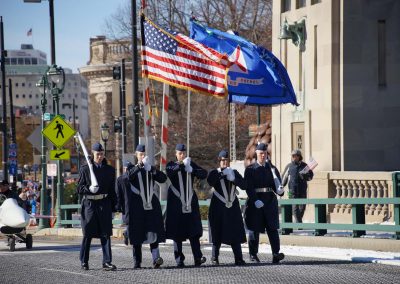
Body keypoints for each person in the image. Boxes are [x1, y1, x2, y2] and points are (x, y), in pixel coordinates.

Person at [116, 144, 167, 269]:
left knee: (153, 232)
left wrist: (152, 169)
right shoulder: (132, 167)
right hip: (137, 206)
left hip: (151, 205)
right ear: (136, 155)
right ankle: (137, 262)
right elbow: (126, 178)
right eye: (140, 154)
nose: (143, 156)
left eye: (144, 154)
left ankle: (156, 259)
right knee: (137, 234)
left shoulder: (150, 168)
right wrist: (139, 166)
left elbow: (163, 179)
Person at [76, 142, 117, 271]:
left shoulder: (109, 170)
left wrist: (114, 207)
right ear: (93, 154)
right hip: (90, 204)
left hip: (104, 203)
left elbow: (111, 190)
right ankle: (84, 261)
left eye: (101, 154)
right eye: (97, 154)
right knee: (88, 233)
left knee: (105, 234)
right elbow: (79, 188)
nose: (100, 156)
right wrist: (89, 188)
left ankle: (107, 261)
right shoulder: (85, 169)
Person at [165, 143, 207, 267]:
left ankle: (198, 257)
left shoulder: (190, 163)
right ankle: (179, 259)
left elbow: (204, 174)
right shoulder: (171, 164)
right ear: (176, 154)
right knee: (177, 233)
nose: (182, 155)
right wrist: (183, 165)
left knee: (194, 231)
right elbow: (170, 173)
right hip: (176, 203)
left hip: (190, 202)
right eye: (180, 153)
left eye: (183, 153)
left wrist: (192, 169)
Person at [244, 143, 285, 264]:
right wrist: (254, 199)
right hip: (256, 201)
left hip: (269, 201)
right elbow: (249, 187)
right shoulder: (250, 169)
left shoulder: (271, 168)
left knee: (273, 229)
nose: (263, 155)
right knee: (254, 229)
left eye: (265, 153)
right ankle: (253, 254)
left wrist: (281, 191)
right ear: (256, 154)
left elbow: (277, 185)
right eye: (261, 153)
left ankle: (276, 253)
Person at [207, 150, 247, 266]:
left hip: (232, 206)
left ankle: (238, 258)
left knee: (235, 231)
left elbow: (244, 185)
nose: (224, 162)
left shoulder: (234, 172)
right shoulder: (214, 172)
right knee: (217, 231)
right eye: (222, 160)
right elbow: (210, 181)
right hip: (218, 205)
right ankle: (215, 257)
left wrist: (234, 178)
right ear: (219, 161)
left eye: (226, 160)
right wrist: (222, 174)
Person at [282, 149, 314, 223]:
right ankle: (299, 224)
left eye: (294, 156)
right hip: (291, 191)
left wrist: (305, 176)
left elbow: (310, 177)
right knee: (294, 208)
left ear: (299, 156)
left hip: (302, 190)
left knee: (302, 207)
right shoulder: (289, 166)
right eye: (292, 156)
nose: (292, 157)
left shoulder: (305, 166)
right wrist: (281, 186)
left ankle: (298, 222)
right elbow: (284, 177)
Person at [118, 160, 133, 246]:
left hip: (133, 204)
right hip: (125, 205)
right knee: (128, 222)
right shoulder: (120, 179)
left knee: (132, 222)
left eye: (128, 168)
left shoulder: (133, 178)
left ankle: (127, 234)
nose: (127, 170)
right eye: (125, 168)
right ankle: (127, 234)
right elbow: (118, 193)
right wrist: (118, 206)